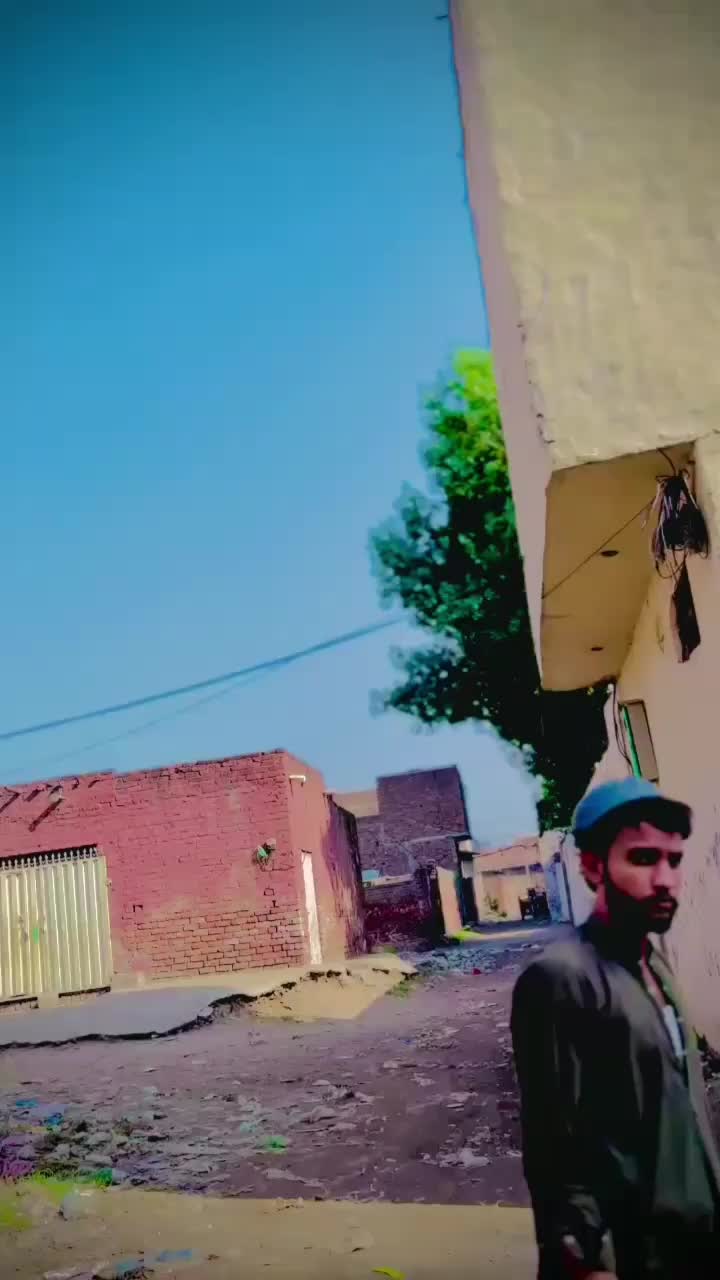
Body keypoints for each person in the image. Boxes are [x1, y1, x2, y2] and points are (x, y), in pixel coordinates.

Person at [511, 777, 720, 1280]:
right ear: (592, 867)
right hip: (636, 1254)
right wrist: (579, 1260)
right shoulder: (561, 978)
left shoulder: (656, 966)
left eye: (673, 860)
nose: (665, 879)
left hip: (696, 1239)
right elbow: (555, 1143)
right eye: (643, 859)